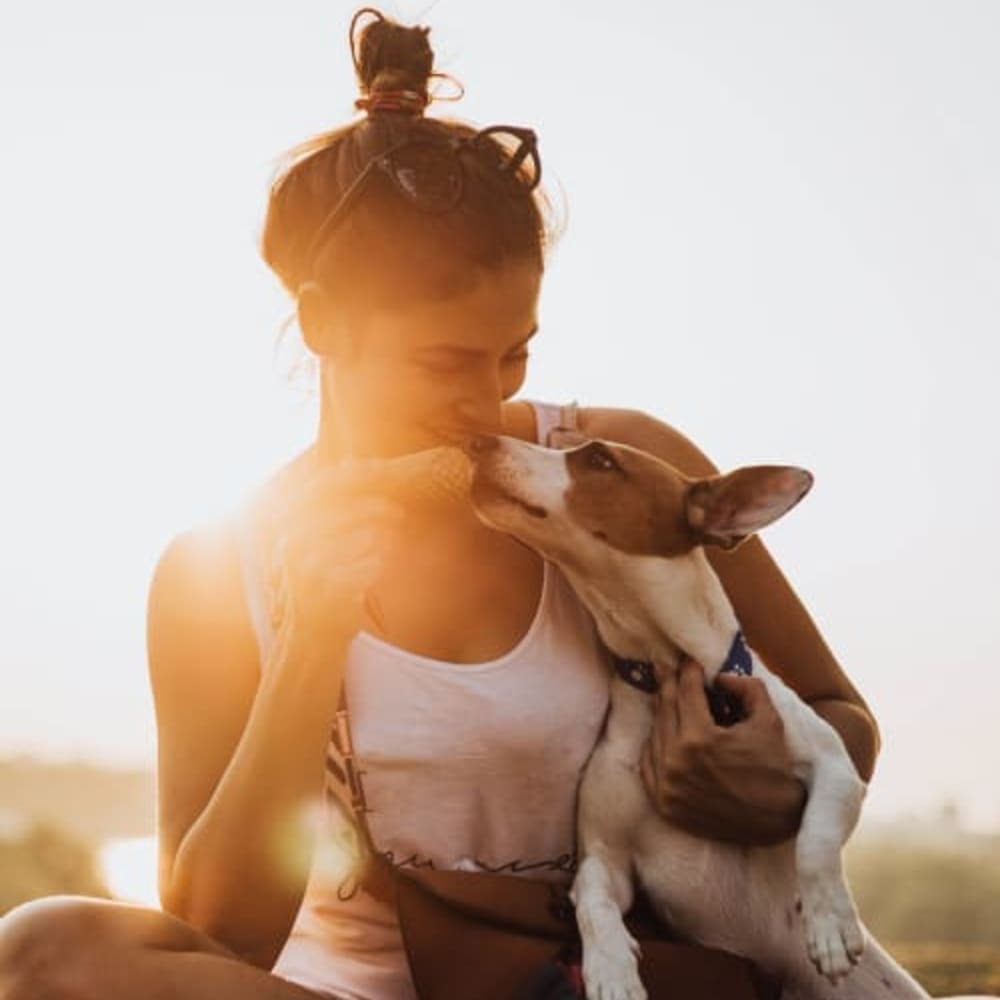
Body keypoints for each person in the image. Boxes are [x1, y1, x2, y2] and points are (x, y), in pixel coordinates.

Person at [0, 9, 880, 1000]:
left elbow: (843, 718)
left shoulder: (619, 478)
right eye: (445, 361)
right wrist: (309, 644)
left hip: (596, 981)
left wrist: (772, 775)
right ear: (325, 321)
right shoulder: (218, 567)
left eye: (514, 352)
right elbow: (221, 934)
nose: (485, 400)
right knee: (45, 950)